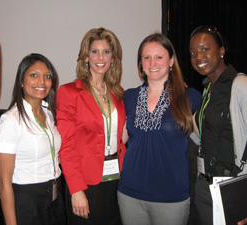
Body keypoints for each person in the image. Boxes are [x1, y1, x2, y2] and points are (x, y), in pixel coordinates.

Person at [117, 33, 202, 225]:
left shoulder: (190, 97)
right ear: (141, 62)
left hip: (171, 198)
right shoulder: (129, 97)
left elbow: (207, 138)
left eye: (159, 57)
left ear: (171, 61)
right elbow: (120, 138)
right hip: (130, 194)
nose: (152, 62)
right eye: (146, 57)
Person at [56, 27, 126, 225]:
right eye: (95, 51)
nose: (100, 57)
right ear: (86, 57)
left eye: (106, 52)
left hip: (116, 179)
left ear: (113, 58)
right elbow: (66, 145)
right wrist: (76, 189)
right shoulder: (69, 93)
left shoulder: (118, 93)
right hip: (85, 182)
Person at [0, 53, 66, 225]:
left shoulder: (49, 115)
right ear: (21, 80)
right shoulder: (10, 120)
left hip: (54, 195)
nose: (41, 82)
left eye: (47, 76)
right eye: (34, 75)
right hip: (27, 200)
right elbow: (4, 182)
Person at [189, 25, 247, 225]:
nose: (198, 56)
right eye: (193, 52)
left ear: (221, 51)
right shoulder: (208, 91)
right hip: (206, 186)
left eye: (205, 49)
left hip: (233, 188)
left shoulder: (240, 85)